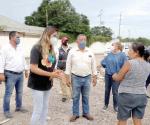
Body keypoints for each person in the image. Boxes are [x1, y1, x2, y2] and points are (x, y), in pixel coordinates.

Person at [28, 26, 63, 125]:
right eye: (54, 35)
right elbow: (33, 68)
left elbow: (50, 66)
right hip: (37, 84)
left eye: (57, 36)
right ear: (47, 35)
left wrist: (56, 72)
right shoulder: (36, 48)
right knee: (38, 109)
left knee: (45, 107)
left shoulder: (51, 49)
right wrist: (51, 74)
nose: (56, 38)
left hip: (47, 83)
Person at [112, 42, 150, 125]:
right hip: (142, 96)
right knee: (138, 121)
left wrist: (114, 75)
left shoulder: (130, 63)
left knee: (122, 120)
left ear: (136, 52)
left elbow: (118, 78)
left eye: (129, 50)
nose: (128, 51)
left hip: (127, 96)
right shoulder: (148, 65)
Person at [65, 34, 97, 122]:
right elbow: (68, 65)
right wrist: (67, 78)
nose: (83, 41)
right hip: (75, 77)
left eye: (84, 39)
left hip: (87, 77)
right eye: (81, 39)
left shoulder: (90, 51)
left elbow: (93, 64)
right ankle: (75, 114)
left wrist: (95, 77)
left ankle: (86, 113)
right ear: (77, 41)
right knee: (75, 97)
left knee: (86, 96)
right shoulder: (72, 51)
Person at [0, 31, 28, 118]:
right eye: (17, 37)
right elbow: (1, 61)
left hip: (20, 74)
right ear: (12, 37)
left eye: (19, 37)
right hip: (10, 74)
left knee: (19, 92)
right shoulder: (5, 48)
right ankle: (6, 110)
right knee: (8, 93)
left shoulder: (20, 48)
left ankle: (18, 107)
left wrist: (26, 69)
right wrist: (1, 73)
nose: (19, 39)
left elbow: (23, 59)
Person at [100, 42, 127, 112]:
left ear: (117, 47)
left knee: (115, 92)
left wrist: (120, 75)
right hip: (107, 75)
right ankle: (105, 105)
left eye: (113, 45)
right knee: (106, 91)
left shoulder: (122, 55)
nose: (112, 46)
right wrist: (101, 65)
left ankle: (116, 106)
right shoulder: (109, 54)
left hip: (116, 76)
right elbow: (103, 63)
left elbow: (125, 67)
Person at [57, 36, 72, 102]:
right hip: (61, 69)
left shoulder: (71, 49)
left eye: (67, 40)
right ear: (62, 41)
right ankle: (64, 96)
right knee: (63, 83)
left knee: (70, 82)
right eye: (64, 40)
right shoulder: (58, 49)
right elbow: (56, 59)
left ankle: (72, 96)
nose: (66, 41)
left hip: (69, 69)